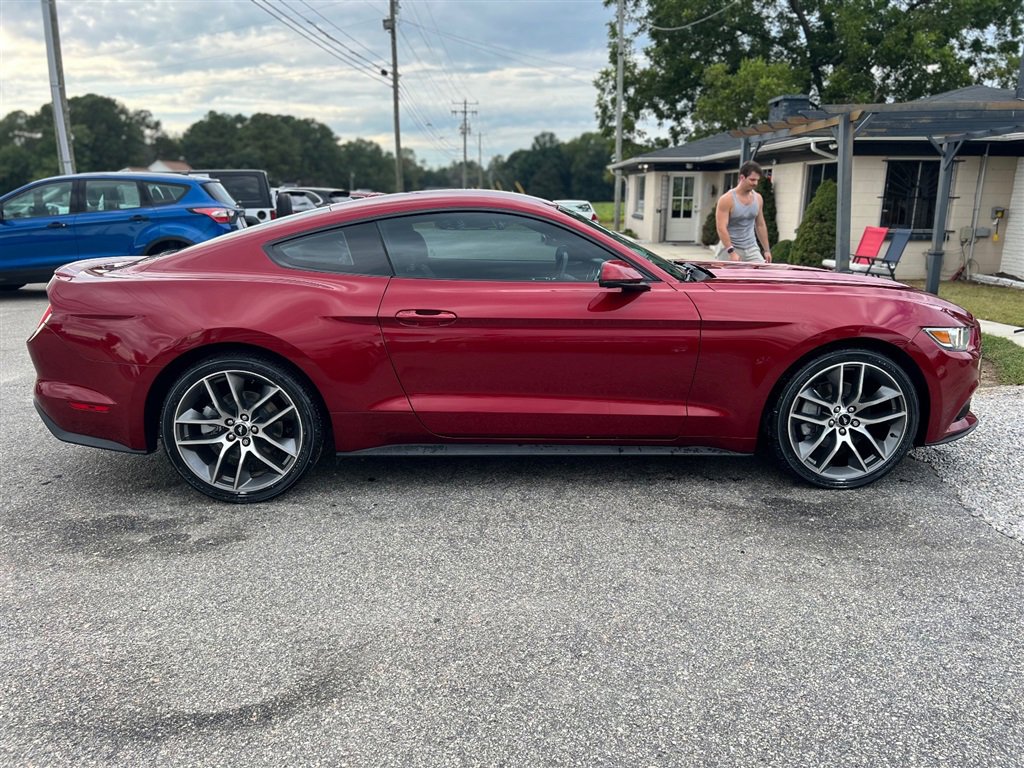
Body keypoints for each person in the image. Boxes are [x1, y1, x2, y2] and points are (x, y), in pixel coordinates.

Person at [715, 160, 773, 263]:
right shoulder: (727, 199)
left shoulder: (758, 198)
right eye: (752, 180)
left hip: (751, 248)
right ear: (742, 177)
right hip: (730, 248)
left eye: (757, 180)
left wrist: (767, 250)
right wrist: (731, 251)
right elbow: (721, 227)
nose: (755, 183)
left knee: (761, 275)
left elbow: (760, 225)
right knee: (726, 278)